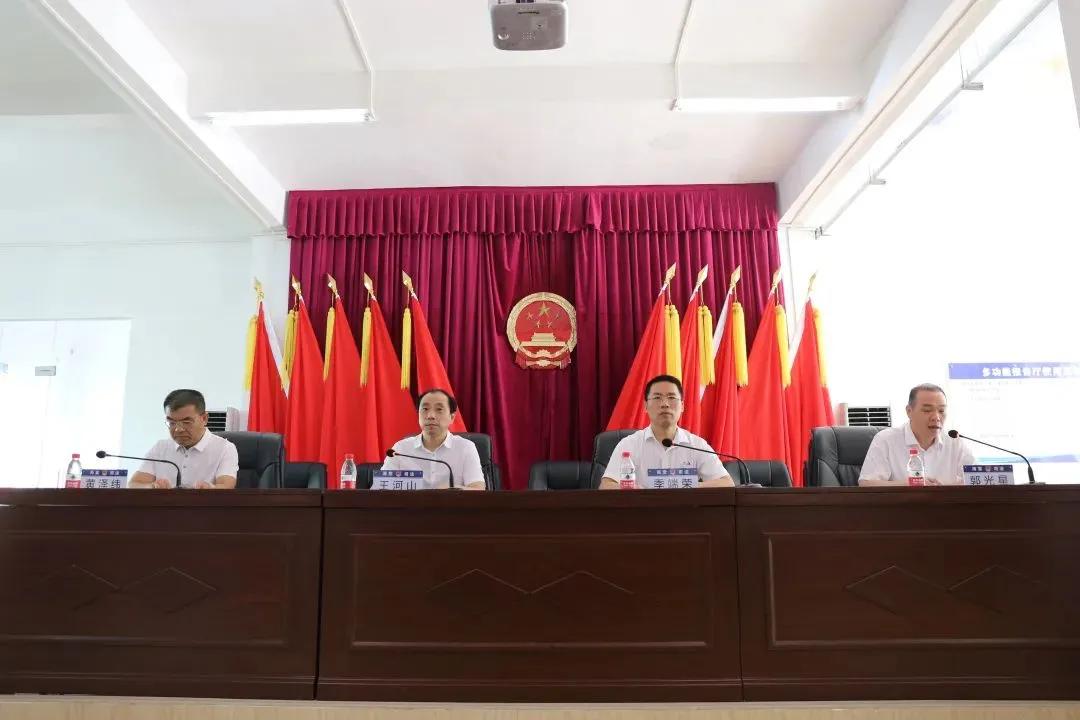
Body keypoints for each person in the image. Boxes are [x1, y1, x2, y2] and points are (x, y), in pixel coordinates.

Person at [600, 374, 733, 489]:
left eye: (671, 397)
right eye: (657, 397)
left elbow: (726, 483)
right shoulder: (629, 444)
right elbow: (606, 485)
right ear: (646, 406)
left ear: (682, 406)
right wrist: (637, 491)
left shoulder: (696, 445)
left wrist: (689, 486)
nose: (665, 404)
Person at [859, 383, 976, 486]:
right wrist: (912, 483)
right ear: (909, 411)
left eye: (941, 411)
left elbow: (976, 481)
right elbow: (867, 483)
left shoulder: (955, 442)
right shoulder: (886, 440)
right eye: (927, 410)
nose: (936, 417)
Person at [129, 389, 238, 489]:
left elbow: (226, 486)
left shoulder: (225, 448)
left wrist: (209, 488)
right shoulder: (161, 447)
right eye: (172, 422)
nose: (178, 429)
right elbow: (134, 484)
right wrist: (152, 486)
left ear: (204, 419)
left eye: (186, 422)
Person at [380, 388, 486, 490]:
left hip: (451, 503)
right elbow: (381, 488)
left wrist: (451, 491)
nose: (430, 416)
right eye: (425, 409)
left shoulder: (465, 447)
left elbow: (477, 489)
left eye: (439, 409)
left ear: (452, 417)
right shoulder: (400, 449)